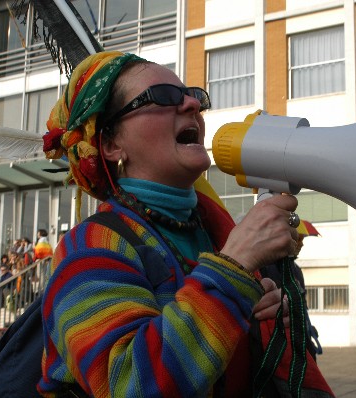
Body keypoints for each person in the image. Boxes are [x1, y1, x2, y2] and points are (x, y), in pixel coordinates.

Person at [37, 51, 334, 397]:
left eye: (193, 94)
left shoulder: (210, 232)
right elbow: (129, 383)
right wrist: (233, 270)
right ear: (111, 143)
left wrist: (261, 325)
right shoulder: (87, 248)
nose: (193, 103)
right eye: (163, 97)